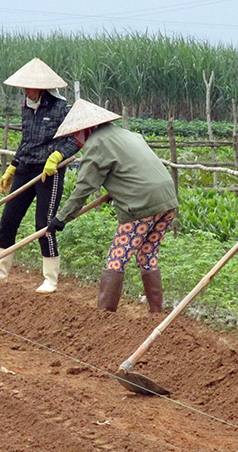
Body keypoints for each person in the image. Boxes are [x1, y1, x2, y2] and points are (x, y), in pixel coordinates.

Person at [47, 99, 178, 314]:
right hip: (166, 199)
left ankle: (104, 317)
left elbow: (84, 188)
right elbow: (133, 169)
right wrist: (115, 190)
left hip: (141, 204)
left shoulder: (97, 144)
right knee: (147, 255)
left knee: (117, 258)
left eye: (75, 134)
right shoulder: (128, 135)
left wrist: (61, 218)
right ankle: (156, 314)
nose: (75, 140)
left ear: (86, 129)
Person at [0, 58, 80, 294]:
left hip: (49, 172)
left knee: (44, 224)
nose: (27, 92)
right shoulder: (26, 107)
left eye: (30, 88)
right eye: (24, 88)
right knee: (9, 219)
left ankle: (50, 279)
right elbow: (26, 140)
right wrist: (13, 165)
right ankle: (0, 268)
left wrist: (58, 156)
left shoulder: (61, 109)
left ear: (42, 88)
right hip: (26, 167)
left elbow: (76, 140)